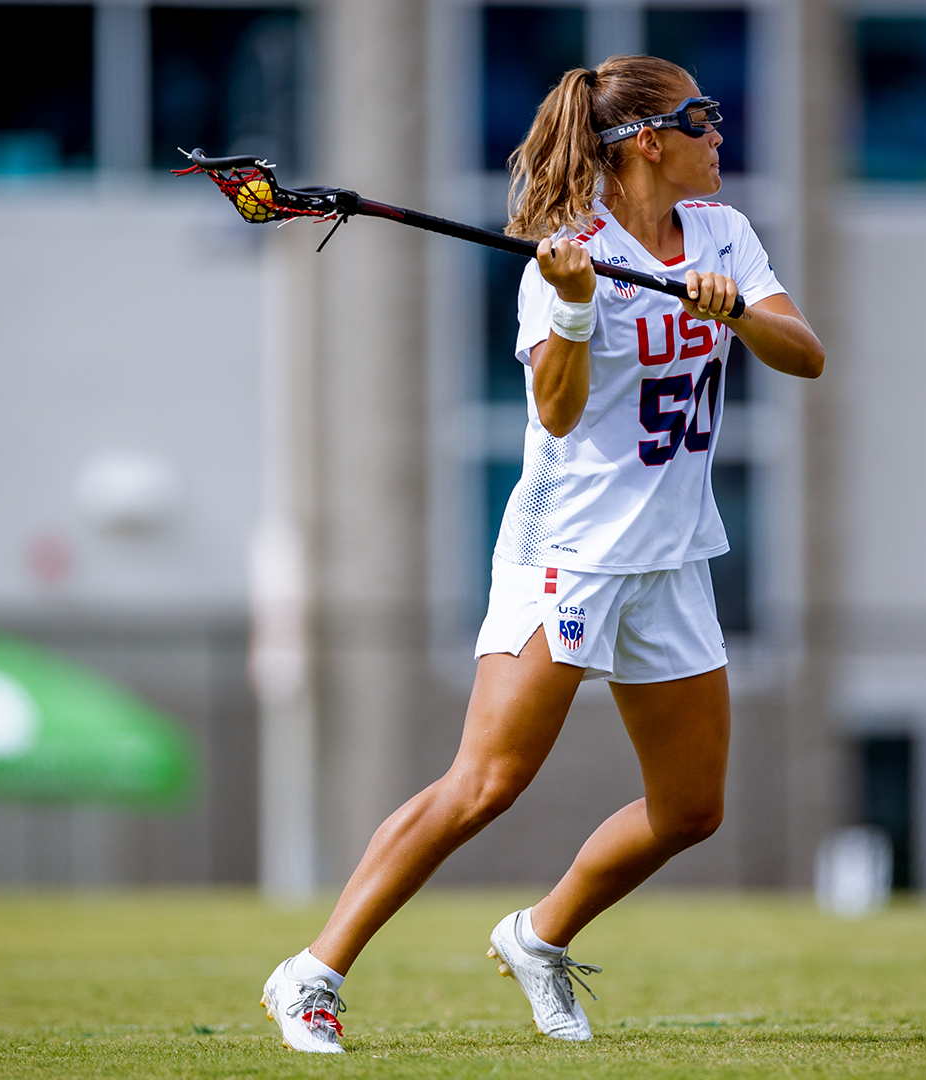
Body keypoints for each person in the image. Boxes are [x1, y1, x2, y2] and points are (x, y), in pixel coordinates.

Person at [261, 54, 824, 1053]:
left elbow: (805, 353)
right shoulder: (566, 257)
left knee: (691, 810)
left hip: (674, 559)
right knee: (484, 784)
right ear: (648, 139)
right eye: (706, 119)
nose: (722, 134)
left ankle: (538, 935)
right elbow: (556, 413)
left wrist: (730, 306)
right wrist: (572, 308)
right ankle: (312, 973)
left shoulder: (724, 236)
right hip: (568, 557)